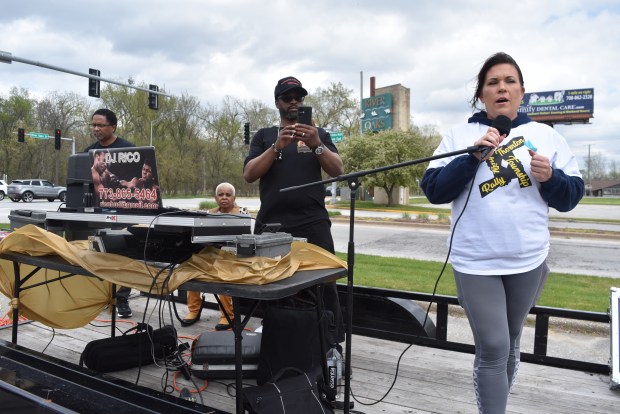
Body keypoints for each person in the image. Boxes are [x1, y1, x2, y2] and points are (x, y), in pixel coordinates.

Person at [420, 52, 584, 413]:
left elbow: (572, 196)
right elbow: (433, 188)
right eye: (492, 82)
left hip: (528, 260)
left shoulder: (546, 136)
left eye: (510, 81)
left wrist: (551, 178)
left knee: (509, 342)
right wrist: (470, 158)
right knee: (493, 346)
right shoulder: (461, 135)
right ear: (481, 94)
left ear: (522, 91)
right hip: (476, 261)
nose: (502, 88)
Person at [243, 76, 345, 343]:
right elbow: (249, 174)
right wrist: (276, 148)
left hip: (313, 223)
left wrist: (316, 144)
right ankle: (278, 337)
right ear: (277, 102)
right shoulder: (265, 136)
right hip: (272, 224)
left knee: (324, 282)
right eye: (288, 98)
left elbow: (337, 170)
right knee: (272, 282)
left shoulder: (318, 134)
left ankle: (329, 342)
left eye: (299, 98)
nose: (294, 103)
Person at [84, 108, 136, 319]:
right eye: (93, 125)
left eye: (100, 125)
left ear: (113, 127)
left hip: (124, 211)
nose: (96, 129)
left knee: (123, 256)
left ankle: (121, 298)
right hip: (98, 212)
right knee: (99, 254)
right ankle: (102, 296)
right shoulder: (89, 151)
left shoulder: (129, 149)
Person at [182, 182, 240, 330]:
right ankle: (193, 310)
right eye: (221, 194)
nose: (224, 197)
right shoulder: (208, 213)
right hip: (210, 253)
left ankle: (227, 315)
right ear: (215, 198)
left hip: (231, 257)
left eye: (228, 195)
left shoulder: (242, 214)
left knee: (224, 273)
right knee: (192, 267)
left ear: (234, 198)